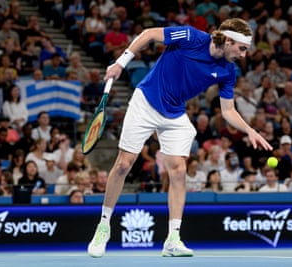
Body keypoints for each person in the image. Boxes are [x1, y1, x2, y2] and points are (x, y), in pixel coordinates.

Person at [87, 18, 272, 258]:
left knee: (179, 171)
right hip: (146, 102)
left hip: (174, 114)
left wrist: (250, 130)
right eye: (242, 48)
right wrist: (121, 62)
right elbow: (149, 33)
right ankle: (103, 226)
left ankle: (173, 239)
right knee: (123, 164)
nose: (244, 55)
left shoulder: (228, 71)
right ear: (228, 41)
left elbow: (228, 111)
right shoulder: (190, 36)